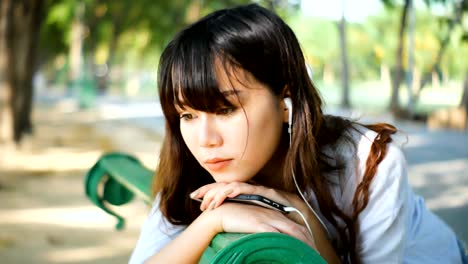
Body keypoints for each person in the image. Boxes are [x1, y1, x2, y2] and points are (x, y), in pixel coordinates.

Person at [129, 4, 465, 264]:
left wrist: (294, 208)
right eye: (187, 114)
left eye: (225, 110)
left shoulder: (367, 162)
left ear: (285, 102)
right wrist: (211, 223)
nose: (205, 139)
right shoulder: (192, 168)